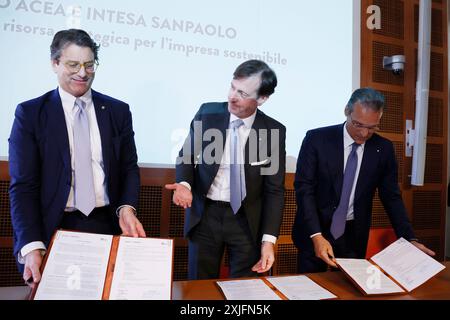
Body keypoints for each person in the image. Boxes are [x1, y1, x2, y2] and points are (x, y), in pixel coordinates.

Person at [8, 29, 146, 288]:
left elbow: (128, 168)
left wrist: (126, 208)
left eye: (89, 65)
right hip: (54, 227)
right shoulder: (31, 114)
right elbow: (23, 186)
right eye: (73, 64)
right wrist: (31, 245)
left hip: (106, 223)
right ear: (55, 63)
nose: (82, 73)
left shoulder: (117, 111)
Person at [291, 87, 435, 273]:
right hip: (313, 231)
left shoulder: (383, 149)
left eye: (372, 127)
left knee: (349, 290)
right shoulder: (317, 139)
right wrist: (316, 235)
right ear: (347, 112)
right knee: (309, 288)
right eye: (358, 124)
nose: (364, 134)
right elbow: (304, 189)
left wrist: (409, 239)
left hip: (353, 235)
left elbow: (391, 197)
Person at [166, 60, 286, 279]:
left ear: (262, 99)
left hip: (246, 222)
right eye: (232, 87)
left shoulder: (272, 132)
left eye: (242, 93)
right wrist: (184, 185)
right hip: (205, 215)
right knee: (199, 289)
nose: (232, 96)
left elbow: (274, 190)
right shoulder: (208, 113)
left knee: (244, 290)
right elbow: (187, 155)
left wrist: (268, 241)